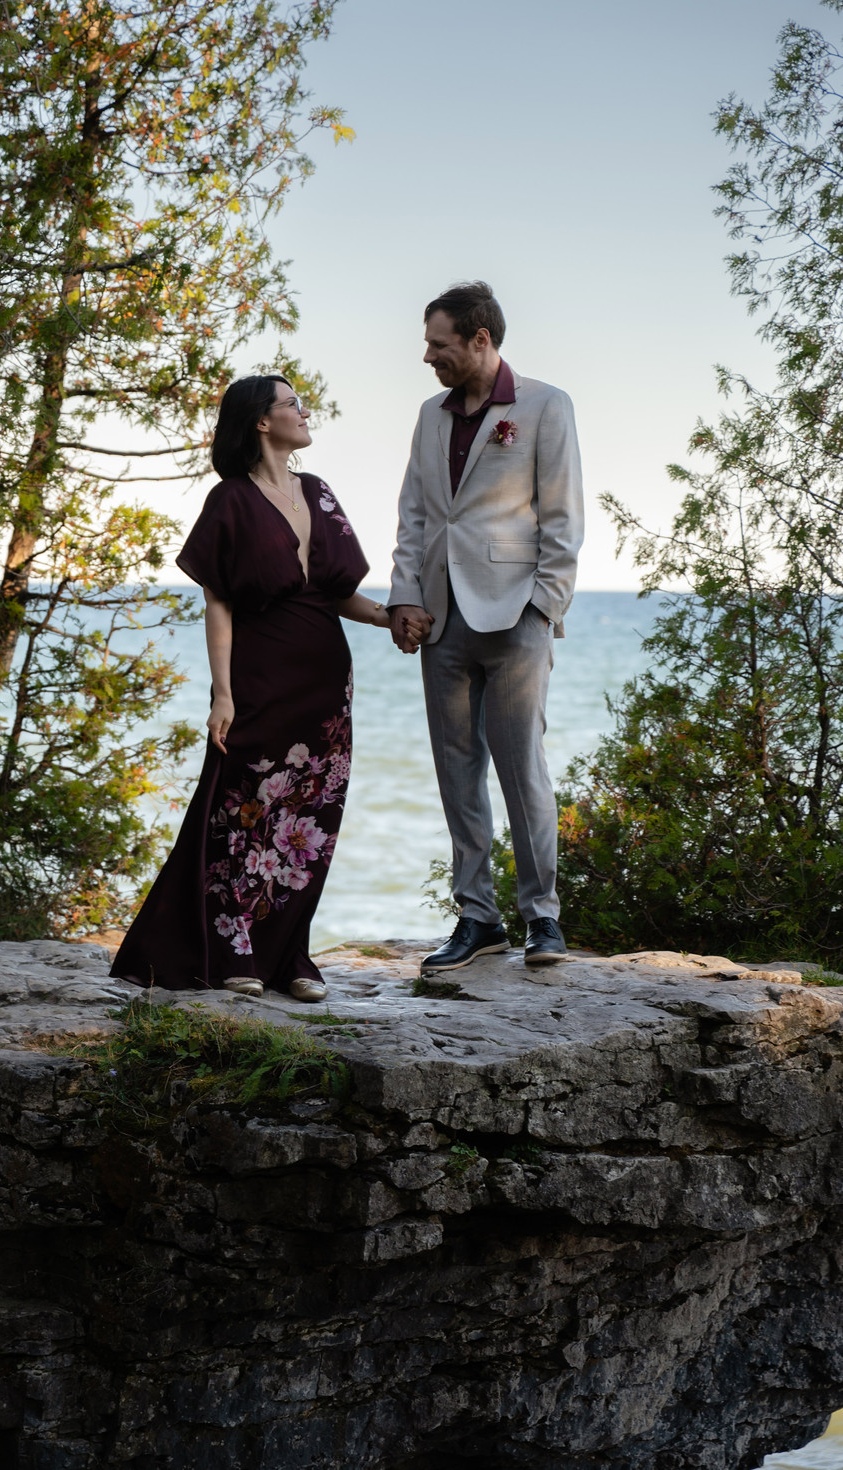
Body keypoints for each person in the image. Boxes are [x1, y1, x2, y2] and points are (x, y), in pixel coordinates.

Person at [111, 375, 418, 1002]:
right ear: (260, 420)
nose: (303, 413)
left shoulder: (318, 492)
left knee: (309, 819)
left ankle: (291, 954)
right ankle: (233, 950)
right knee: (242, 812)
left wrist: (390, 616)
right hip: (260, 677)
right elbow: (218, 602)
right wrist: (221, 694)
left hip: (325, 686)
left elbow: (335, 593)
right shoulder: (230, 500)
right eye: (291, 404)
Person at [389, 282, 584, 969]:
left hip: (515, 616)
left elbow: (563, 520)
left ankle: (543, 919)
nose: (427, 357)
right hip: (439, 619)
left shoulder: (544, 406)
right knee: (456, 772)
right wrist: (403, 597)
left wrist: (544, 606)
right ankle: (478, 918)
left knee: (520, 768)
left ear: (479, 339)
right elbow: (416, 514)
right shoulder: (429, 415)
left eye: (438, 344)